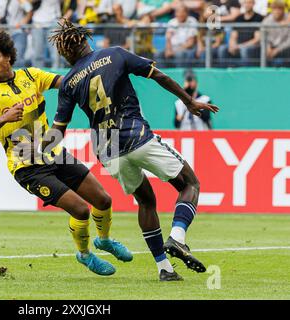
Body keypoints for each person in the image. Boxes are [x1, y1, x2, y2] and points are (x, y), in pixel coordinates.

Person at [45, 19, 219, 281]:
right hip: (136, 136)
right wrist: (189, 101)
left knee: (146, 201)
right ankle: (177, 238)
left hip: (107, 150)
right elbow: (158, 75)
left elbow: (58, 131)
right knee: (189, 183)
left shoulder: (68, 82)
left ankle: (164, 269)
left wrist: (34, 150)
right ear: (85, 40)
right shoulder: (115, 54)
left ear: (65, 52)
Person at [0, 28, 133, 276]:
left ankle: (104, 240)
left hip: (53, 152)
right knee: (80, 209)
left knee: (103, 199)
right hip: (27, 166)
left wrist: (96, 74)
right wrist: (3, 119)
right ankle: (85, 254)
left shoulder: (31, 76)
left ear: (8, 56)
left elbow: (67, 82)